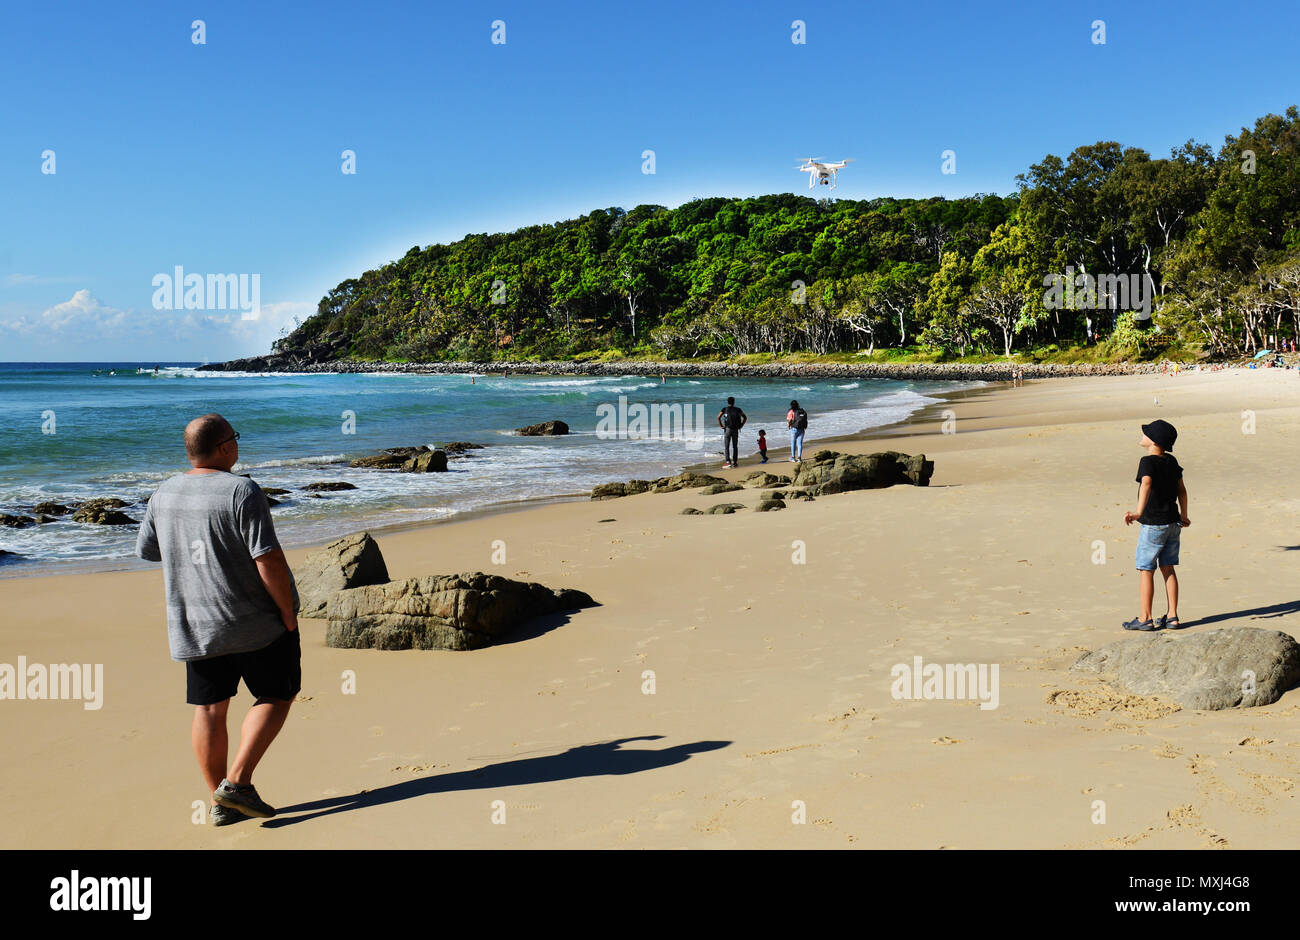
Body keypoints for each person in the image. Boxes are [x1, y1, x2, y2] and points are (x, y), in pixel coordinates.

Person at [136, 414, 301, 826]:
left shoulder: (164, 492)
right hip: (253, 621)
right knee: (277, 695)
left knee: (210, 710)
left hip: (194, 622)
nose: (238, 446)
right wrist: (287, 610)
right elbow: (268, 559)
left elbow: (149, 550)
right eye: (235, 439)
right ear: (226, 447)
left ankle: (220, 803)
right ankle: (237, 783)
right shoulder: (241, 490)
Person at [1122, 419, 1189, 631]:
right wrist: (1184, 515)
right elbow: (1182, 490)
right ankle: (1172, 616)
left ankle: (1145, 618)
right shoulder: (1172, 461)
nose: (1143, 434)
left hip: (1153, 525)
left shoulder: (1147, 461)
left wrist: (1138, 512)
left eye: (1147, 433)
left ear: (1154, 442)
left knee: (1146, 569)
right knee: (1168, 568)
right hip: (1173, 522)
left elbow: (1147, 483)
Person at [718, 397, 747, 468]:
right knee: (735, 446)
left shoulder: (724, 409)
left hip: (727, 429)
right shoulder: (738, 409)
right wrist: (741, 425)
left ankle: (728, 462)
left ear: (728, 402)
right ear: (734, 402)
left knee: (726, 446)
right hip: (735, 429)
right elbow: (745, 417)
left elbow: (718, 417)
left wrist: (721, 426)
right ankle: (735, 462)